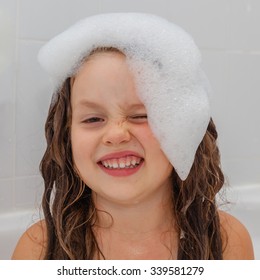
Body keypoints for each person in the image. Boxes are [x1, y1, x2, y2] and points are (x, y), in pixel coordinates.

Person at [12, 13, 254, 260]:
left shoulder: (225, 240)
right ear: (66, 139)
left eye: (141, 115)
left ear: (183, 127)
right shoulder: (39, 249)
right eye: (93, 119)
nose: (116, 134)